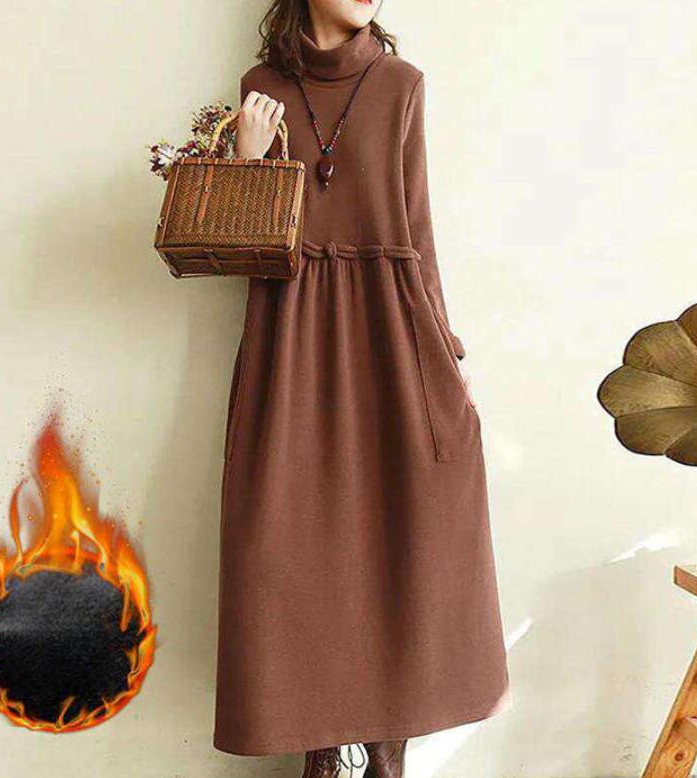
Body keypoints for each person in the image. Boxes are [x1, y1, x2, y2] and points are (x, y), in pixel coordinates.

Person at [214, 1, 511, 775]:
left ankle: (388, 758)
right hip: (291, 337)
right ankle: (321, 750)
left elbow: (418, 231)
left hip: (390, 331)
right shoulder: (260, 88)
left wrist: (447, 351)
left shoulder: (401, 83)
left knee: (403, 532)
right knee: (291, 539)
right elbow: (244, 249)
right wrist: (247, 159)